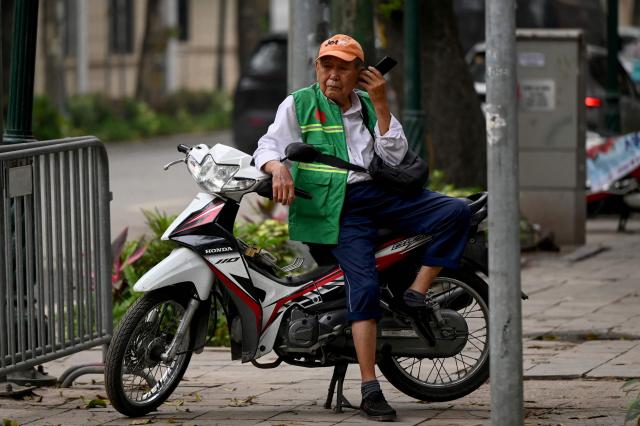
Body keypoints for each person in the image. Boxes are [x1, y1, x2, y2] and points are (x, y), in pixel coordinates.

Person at [253, 34, 471, 422]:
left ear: (360, 73)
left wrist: (384, 105)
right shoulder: (300, 103)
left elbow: (395, 156)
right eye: (326, 66)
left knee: (457, 211)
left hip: (381, 196)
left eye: (342, 67)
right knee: (365, 286)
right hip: (340, 208)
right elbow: (267, 146)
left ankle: (416, 294)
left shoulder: (370, 103)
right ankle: (370, 388)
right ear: (317, 68)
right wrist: (278, 167)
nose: (332, 75)